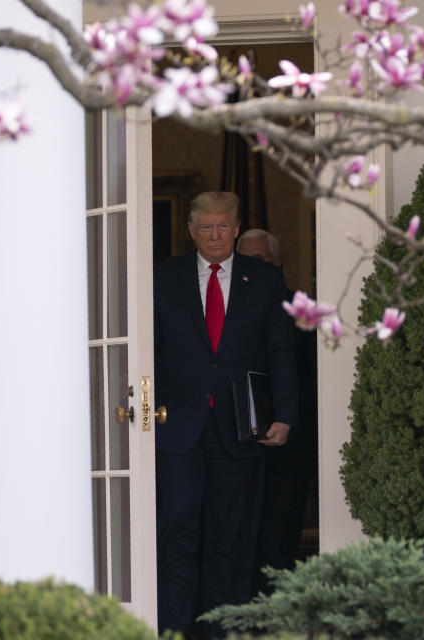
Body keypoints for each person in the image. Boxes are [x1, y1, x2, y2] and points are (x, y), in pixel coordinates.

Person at [153, 193, 298, 638]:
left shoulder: (264, 280)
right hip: (176, 426)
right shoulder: (162, 276)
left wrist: (286, 413)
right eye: (206, 228)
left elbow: (281, 351)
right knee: (178, 533)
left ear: (236, 229)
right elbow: (149, 350)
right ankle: (175, 629)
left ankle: (224, 631)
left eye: (223, 227)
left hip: (240, 425)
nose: (215, 236)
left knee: (230, 538)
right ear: (192, 231)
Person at [236, 229, 318, 592]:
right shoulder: (223, 310)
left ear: (278, 262)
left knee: (282, 529)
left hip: (290, 444)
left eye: (261, 260)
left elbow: (317, 380)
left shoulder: (305, 311)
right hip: (236, 442)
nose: (253, 269)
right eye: (246, 261)